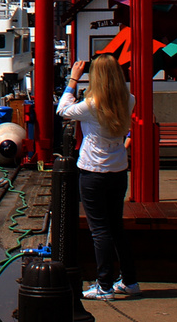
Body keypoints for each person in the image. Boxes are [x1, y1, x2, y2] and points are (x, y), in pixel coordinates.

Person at [58, 54, 138, 299]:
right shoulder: (129, 99)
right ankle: (129, 281)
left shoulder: (91, 104)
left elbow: (62, 110)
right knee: (116, 227)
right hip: (118, 170)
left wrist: (73, 79)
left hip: (93, 171)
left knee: (99, 230)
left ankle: (104, 285)